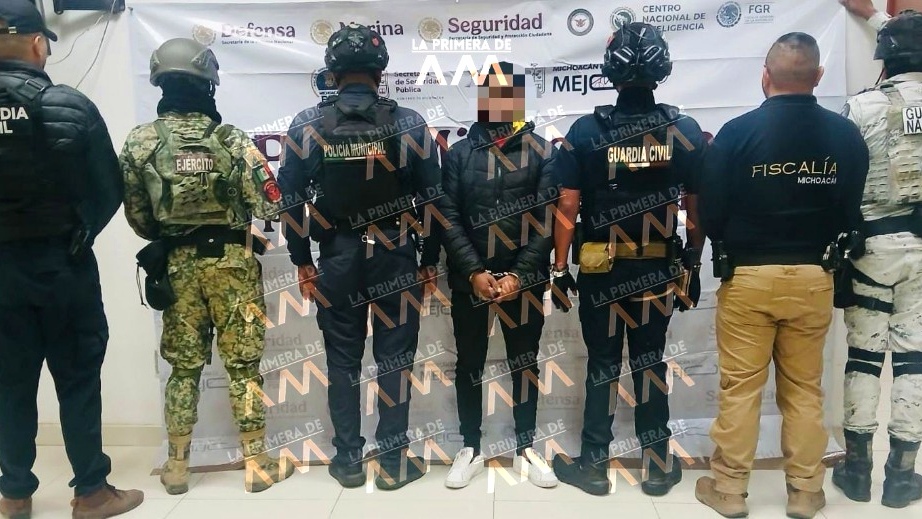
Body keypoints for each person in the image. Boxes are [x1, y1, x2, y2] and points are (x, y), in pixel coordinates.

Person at [694, 33, 869, 519]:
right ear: (817, 76)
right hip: (814, 276)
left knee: (740, 389)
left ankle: (729, 490)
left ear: (765, 76)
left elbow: (711, 211)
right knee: (805, 389)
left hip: (749, 277)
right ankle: (806, 492)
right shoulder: (845, 135)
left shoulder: (736, 133)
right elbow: (851, 210)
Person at [120, 38, 292, 494]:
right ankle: (257, 464)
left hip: (177, 269)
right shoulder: (232, 140)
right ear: (208, 85)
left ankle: (177, 467)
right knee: (243, 367)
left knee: (183, 369)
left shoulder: (141, 141)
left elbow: (139, 219)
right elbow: (270, 206)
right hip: (233, 267)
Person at [278, 24, 441, 491]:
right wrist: (428, 260)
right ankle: (392, 461)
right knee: (395, 359)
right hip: (395, 252)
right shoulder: (408, 122)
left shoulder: (306, 125)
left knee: (342, 361)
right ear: (380, 72)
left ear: (332, 73)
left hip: (338, 255)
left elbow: (290, 200)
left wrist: (302, 261)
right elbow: (434, 199)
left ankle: (348, 460)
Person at [549, 22, 707, 497]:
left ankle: (594, 465)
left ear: (610, 72)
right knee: (649, 361)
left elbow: (568, 206)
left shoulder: (585, 132)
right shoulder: (684, 131)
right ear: (662, 69)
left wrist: (559, 269)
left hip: (601, 268)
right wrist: (693, 263)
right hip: (657, 270)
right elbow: (696, 207)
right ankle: (656, 467)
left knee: (602, 362)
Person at [0, 1, 144, 518]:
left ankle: (14, 494)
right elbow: (109, 190)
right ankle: (91, 491)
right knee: (78, 378)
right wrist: (79, 235)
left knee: (8, 384)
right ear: (39, 43)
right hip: (63, 266)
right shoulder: (69, 104)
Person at [439, 61, 559, 489]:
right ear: (482, 99)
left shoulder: (543, 152)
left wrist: (519, 275)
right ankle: (470, 447)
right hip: (470, 280)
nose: (500, 101)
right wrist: (474, 271)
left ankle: (526, 447)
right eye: (492, 93)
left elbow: (548, 220)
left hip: (522, 280)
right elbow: (448, 217)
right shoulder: (459, 155)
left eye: (509, 93)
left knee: (524, 363)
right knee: (469, 363)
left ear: (519, 100)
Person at [835, 0, 922, 509]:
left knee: (864, 359)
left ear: (885, 57)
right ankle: (902, 477)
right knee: (915, 363)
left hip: (871, 247)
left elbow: (841, 181)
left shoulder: (862, 107)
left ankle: (856, 471)